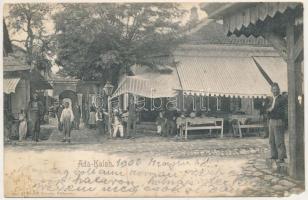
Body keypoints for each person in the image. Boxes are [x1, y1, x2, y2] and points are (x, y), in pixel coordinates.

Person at [267, 83, 287, 163]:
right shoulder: (271, 99)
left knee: (279, 140)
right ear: (271, 90)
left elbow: (282, 111)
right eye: (273, 89)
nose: (275, 91)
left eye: (276, 89)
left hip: (278, 120)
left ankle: (281, 157)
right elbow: (267, 108)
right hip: (271, 120)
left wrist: (272, 111)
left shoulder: (282, 99)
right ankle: (274, 155)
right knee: (271, 139)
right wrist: (268, 110)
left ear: (278, 90)